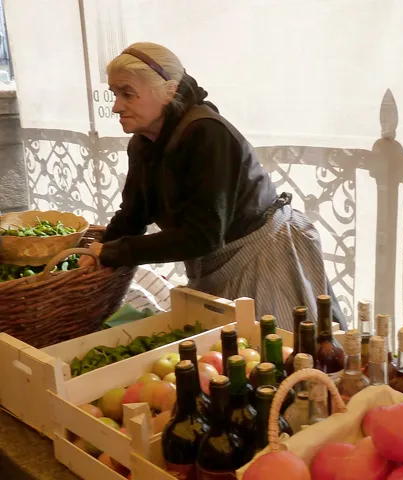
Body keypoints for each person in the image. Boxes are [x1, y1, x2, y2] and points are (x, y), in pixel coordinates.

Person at [80, 42, 346, 331]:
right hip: (220, 259)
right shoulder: (143, 143)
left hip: (261, 256)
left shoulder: (207, 134)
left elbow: (203, 236)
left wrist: (114, 252)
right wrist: (98, 251)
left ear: (169, 91)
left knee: (273, 350)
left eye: (127, 93)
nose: (117, 106)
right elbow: (133, 214)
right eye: (115, 94)